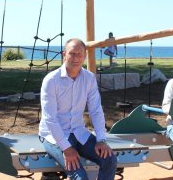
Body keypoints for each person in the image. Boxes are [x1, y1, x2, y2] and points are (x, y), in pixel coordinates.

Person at [39, 38, 117, 180]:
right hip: (53, 135)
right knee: (79, 176)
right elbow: (50, 118)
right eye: (72, 54)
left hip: (78, 131)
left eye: (79, 54)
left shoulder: (89, 78)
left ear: (85, 56)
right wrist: (67, 148)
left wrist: (101, 139)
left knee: (110, 160)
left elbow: (96, 110)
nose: (76, 58)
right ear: (64, 54)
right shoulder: (51, 80)